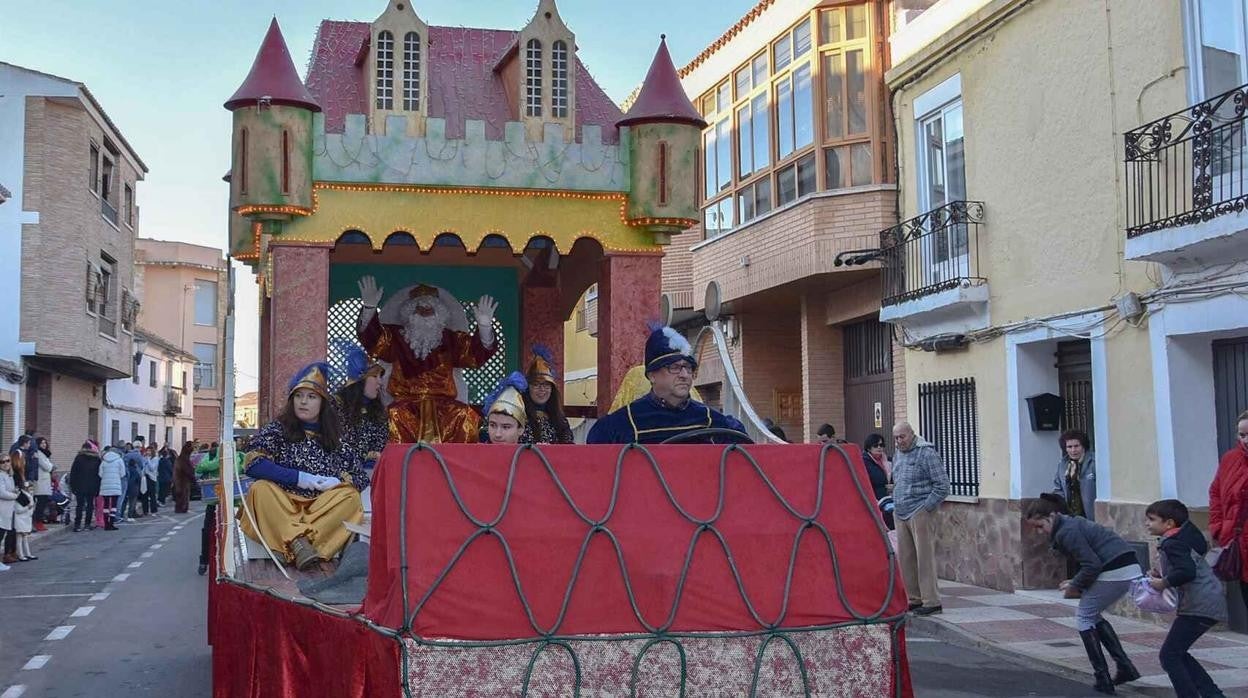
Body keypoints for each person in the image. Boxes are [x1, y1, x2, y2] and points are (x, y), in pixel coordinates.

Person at [240, 363, 368, 570]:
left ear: (322, 403)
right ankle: (300, 545)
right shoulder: (277, 430)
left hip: (319, 508)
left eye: (311, 397)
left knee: (350, 497)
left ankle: (288, 545)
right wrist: (300, 478)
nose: (303, 402)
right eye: (299, 396)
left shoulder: (336, 439)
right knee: (259, 489)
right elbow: (253, 463)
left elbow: (361, 478)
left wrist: (338, 482)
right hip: (282, 504)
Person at [356, 277, 498, 443]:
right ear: (409, 313)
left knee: (466, 418)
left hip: (445, 408)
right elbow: (374, 341)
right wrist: (369, 308)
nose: (424, 312)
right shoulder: (396, 337)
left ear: (439, 314)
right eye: (419, 309)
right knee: (392, 418)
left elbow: (474, 355)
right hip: (405, 407)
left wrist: (485, 327)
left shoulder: (451, 340)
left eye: (429, 309)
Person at [1025, 493, 1140, 694]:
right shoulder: (1070, 525)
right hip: (1125, 566)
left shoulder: (1066, 532)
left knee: (1084, 617)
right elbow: (1092, 561)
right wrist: (1075, 581)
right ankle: (1124, 667)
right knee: (1092, 615)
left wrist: (1074, 585)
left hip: (1115, 569)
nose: (1039, 532)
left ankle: (1103, 677)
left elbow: (1091, 564)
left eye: (1040, 526)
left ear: (1051, 517)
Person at [588, 324, 747, 444]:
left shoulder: (713, 421)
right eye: (675, 367)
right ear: (652, 375)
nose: (684, 375)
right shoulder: (622, 424)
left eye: (688, 367)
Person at [1144, 499, 1228, 698]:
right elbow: (1189, 565)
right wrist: (1164, 574)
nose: (1147, 523)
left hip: (1200, 605)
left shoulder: (1173, 544)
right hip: (1206, 602)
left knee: (1169, 655)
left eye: (1151, 519)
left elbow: (1187, 571)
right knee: (1177, 653)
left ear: (1169, 523)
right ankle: (1212, 694)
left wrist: (1163, 582)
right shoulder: (1183, 538)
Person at [891, 421, 949, 616]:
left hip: (919, 511)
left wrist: (926, 508)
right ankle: (914, 598)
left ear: (912, 434)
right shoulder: (898, 453)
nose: (899, 441)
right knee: (906, 558)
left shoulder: (927, 453)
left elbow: (942, 485)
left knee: (924, 558)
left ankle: (931, 600)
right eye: (896, 438)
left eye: (902, 437)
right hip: (900, 512)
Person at [1209, 409, 1248, 622]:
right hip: (1239, 544)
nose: (1246, 440)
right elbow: (1215, 492)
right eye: (1242, 435)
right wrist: (1217, 526)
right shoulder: (1230, 459)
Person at [334, 344, 389, 468]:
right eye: (375, 376)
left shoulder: (379, 411)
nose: (380, 382)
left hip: (375, 473)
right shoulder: (336, 406)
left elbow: (382, 447)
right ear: (360, 380)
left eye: (381, 377)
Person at [523, 345, 573, 444]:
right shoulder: (520, 415)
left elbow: (569, 447)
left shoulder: (560, 419)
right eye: (536, 385)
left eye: (546, 385)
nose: (542, 390)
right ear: (528, 388)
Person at [1053, 430, 1097, 520]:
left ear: (1083, 446)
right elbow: (1058, 488)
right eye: (1069, 447)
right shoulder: (1062, 465)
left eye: (1076, 446)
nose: (1073, 450)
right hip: (1071, 517)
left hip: (1091, 516)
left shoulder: (1094, 462)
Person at [482, 372, 532, 445]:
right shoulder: (477, 454)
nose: (497, 434)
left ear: (521, 429)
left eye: (506, 427)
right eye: (492, 425)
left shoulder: (531, 455)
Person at [862, 433, 894, 530]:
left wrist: (893, 485)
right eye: (876, 445)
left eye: (881, 445)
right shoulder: (863, 462)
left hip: (890, 500)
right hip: (874, 501)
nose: (879, 448)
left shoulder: (889, 461)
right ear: (868, 448)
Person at [69, 441, 102, 532]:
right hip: (92, 486)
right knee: (90, 505)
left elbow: (73, 473)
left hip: (80, 486)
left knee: (79, 505)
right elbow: (99, 475)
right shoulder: (96, 459)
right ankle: (87, 524)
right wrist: (98, 487)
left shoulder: (79, 458)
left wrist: (73, 486)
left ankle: (77, 524)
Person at [98, 447, 126, 531]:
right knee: (114, 505)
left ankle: (106, 524)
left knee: (106, 505)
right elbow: (123, 473)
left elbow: (100, 474)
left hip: (105, 485)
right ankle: (112, 523)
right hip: (115, 484)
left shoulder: (104, 461)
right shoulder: (119, 460)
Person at [0, 452, 18, 570]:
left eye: (8, 461)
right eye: (2, 462)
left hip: (8, 510)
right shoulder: (0, 475)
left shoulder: (9, 475)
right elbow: (2, 493)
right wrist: (14, 495)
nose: (6, 464)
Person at [31, 437, 54, 529]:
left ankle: (39, 522)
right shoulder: (38, 454)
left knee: (43, 502)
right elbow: (47, 467)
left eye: (45, 443)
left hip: (44, 482)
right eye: (41, 443)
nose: (44, 445)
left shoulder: (44, 454)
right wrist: (51, 466)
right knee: (40, 503)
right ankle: (37, 522)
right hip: (40, 482)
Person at [12, 479, 35, 560]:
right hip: (20, 520)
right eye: (30, 488)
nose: (31, 490)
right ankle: (21, 555)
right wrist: (27, 508)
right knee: (19, 538)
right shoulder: (20, 496)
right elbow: (18, 510)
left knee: (25, 538)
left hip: (26, 519)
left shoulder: (29, 496)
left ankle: (28, 554)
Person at [172, 441, 196, 514]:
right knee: (183, 494)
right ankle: (182, 508)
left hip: (179, 479)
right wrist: (193, 478)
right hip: (182, 479)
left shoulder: (181, 458)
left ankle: (180, 508)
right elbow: (187, 470)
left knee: (180, 493)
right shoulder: (184, 458)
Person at [142, 446, 159, 515]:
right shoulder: (145, 458)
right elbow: (143, 466)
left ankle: (153, 510)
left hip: (151, 478)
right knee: (144, 494)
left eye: (149, 451)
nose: (148, 452)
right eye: (147, 451)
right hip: (145, 477)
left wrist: (148, 460)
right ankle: (145, 510)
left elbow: (152, 468)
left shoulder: (155, 459)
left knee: (152, 495)